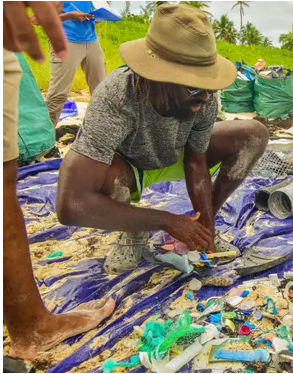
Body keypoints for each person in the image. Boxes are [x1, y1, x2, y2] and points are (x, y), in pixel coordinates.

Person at [56, 4, 268, 274]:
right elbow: (70, 204)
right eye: (193, 86)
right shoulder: (116, 97)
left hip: (175, 154)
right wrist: (165, 221)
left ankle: (200, 228)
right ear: (155, 77)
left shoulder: (203, 97)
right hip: (130, 167)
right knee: (106, 173)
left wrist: (205, 230)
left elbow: (196, 162)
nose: (204, 98)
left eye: (209, 86)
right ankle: (132, 232)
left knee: (253, 134)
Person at [3, 1, 114, 360]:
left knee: (103, 92)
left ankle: (29, 325)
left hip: (87, 39)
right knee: (57, 95)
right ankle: (32, 328)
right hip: (58, 39)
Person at [44, 1, 106, 126]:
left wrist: (98, 17)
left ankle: (98, 133)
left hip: (92, 41)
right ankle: (45, 139)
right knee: (58, 95)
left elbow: (92, 13)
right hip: (66, 41)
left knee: (102, 92)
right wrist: (70, 16)